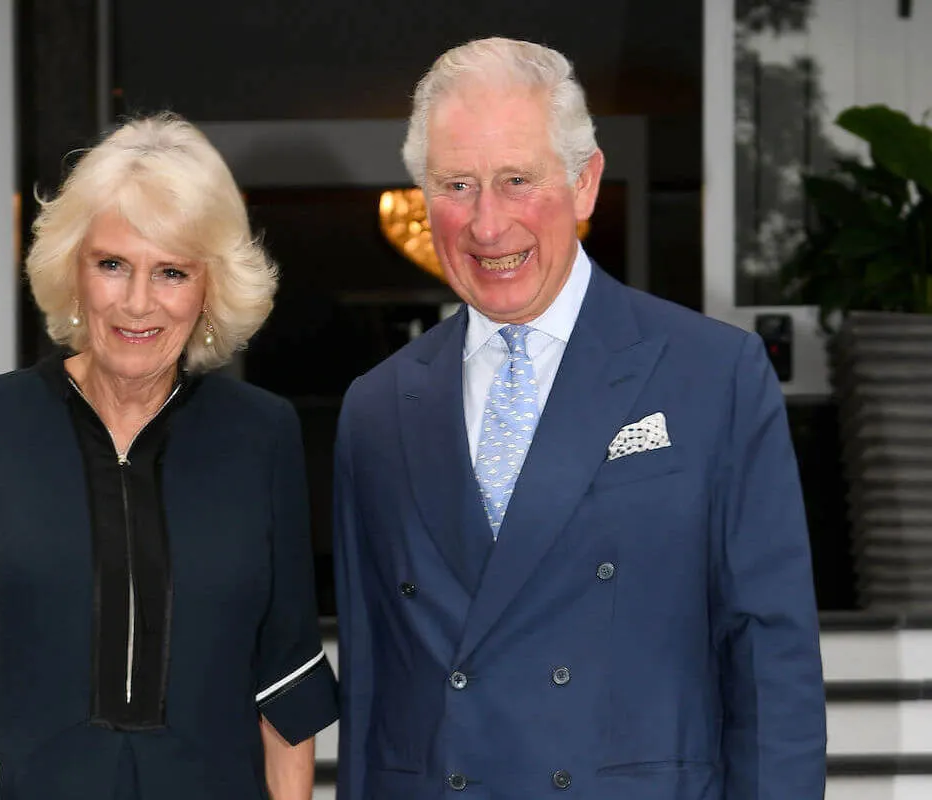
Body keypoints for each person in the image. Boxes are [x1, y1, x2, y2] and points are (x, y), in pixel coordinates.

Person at [333, 37, 826, 799]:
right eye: (456, 185)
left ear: (586, 183)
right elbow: (371, 682)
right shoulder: (374, 406)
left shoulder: (714, 375)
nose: (486, 225)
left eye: (516, 181)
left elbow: (771, 661)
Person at [0, 112, 337, 799]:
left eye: (171, 272)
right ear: (73, 271)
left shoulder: (262, 436)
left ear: (209, 290)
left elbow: (283, 680)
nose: (138, 303)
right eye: (112, 264)